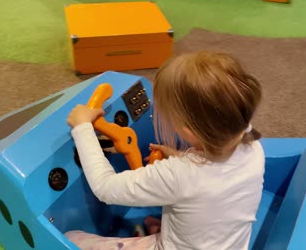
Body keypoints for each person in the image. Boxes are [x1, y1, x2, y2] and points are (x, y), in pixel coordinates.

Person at [65, 50, 265, 250]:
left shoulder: (177, 173)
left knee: (72, 238)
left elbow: (105, 188)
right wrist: (178, 155)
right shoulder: (253, 145)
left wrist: (82, 127)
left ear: (188, 130)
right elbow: (211, 183)